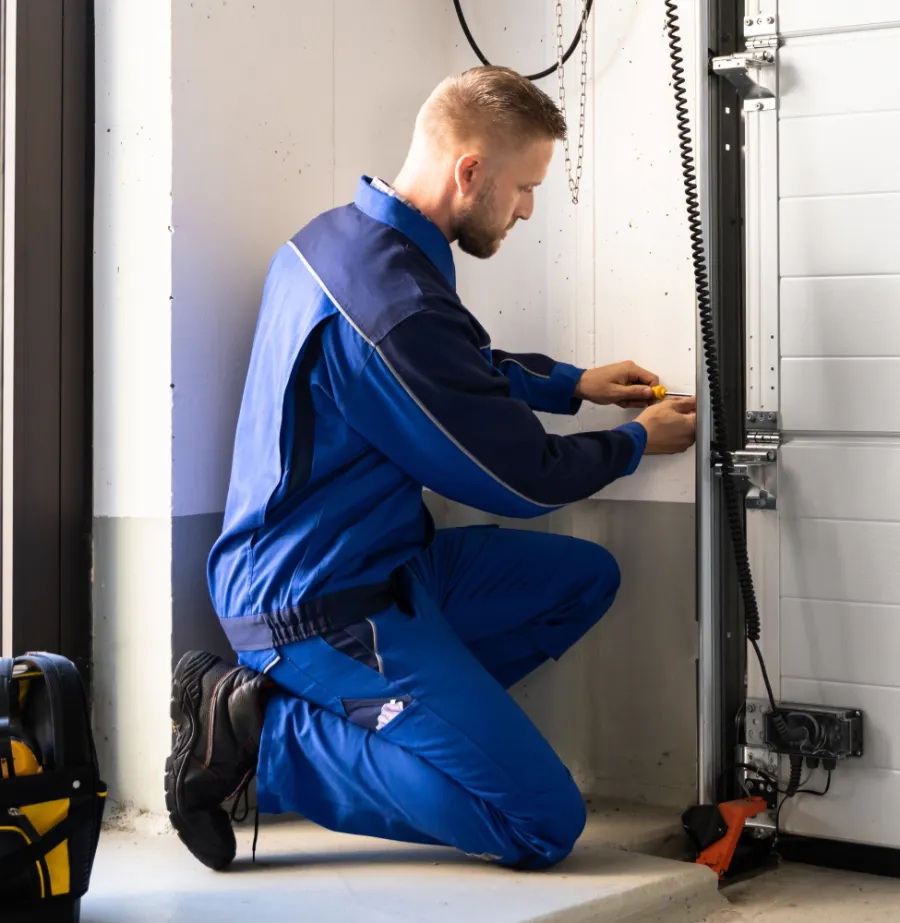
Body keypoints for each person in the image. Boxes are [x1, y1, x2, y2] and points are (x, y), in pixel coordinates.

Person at [165, 65, 696, 873]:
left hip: (387, 564)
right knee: (540, 822)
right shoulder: (390, 306)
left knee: (583, 579)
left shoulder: (339, 241)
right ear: (470, 171)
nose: (525, 209)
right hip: (316, 605)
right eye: (523, 187)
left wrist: (572, 384)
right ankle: (263, 738)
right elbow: (523, 478)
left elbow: (453, 368)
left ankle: (404, 731)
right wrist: (632, 442)